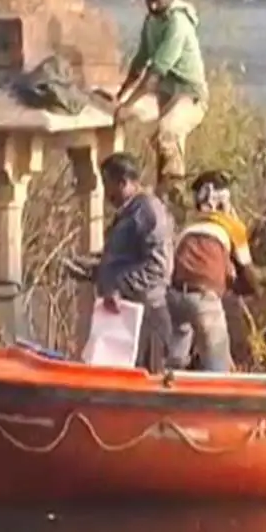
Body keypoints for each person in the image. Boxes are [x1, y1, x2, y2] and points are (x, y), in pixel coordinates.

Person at [112, 0, 208, 214]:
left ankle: (174, 204)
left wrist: (129, 104)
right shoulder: (151, 22)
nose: (154, 5)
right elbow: (140, 62)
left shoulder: (178, 24)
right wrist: (121, 98)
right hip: (163, 95)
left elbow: (154, 73)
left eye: (159, 0)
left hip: (190, 96)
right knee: (122, 117)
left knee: (166, 133)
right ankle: (148, 191)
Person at [167, 170, 259, 372]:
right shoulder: (232, 226)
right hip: (203, 300)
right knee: (217, 368)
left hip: (172, 297)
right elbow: (249, 275)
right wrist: (243, 287)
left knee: (173, 365)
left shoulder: (187, 228)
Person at [94, 152, 176, 371]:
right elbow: (125, 260)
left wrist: (119, 285)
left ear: (124, 182)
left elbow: (158, 268)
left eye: (108, 185)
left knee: (146, 392)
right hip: (126, 318)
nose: (106, 194)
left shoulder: (148, 211)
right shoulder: (129, 213)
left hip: (146, 318)